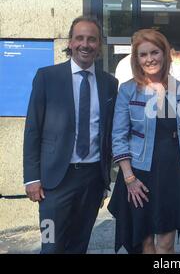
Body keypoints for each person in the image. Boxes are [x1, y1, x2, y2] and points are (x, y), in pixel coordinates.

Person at [23, 16, 118, 253]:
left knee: (79, 245)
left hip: (92, 180)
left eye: (92, 39)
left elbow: (107, 134)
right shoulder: (47, 77)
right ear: (71, 41)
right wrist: (32, 178)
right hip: (53, 183)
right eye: (80, 38)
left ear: (99, 45)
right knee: (50, 244)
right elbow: (33, 128)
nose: (85, 44)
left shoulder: (109, 83)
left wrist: (105, 178)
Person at [108, 29, 180, 254]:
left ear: (165, 54)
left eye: (155, 52)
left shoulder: (178, 88)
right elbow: (118, 136)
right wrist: (129, 178)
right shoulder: (128, 90)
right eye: (143, 54)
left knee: (166, 244)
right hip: (139, 174)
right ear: (136, 59)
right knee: (145, 243)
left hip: (173, 173)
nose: (150, 59)